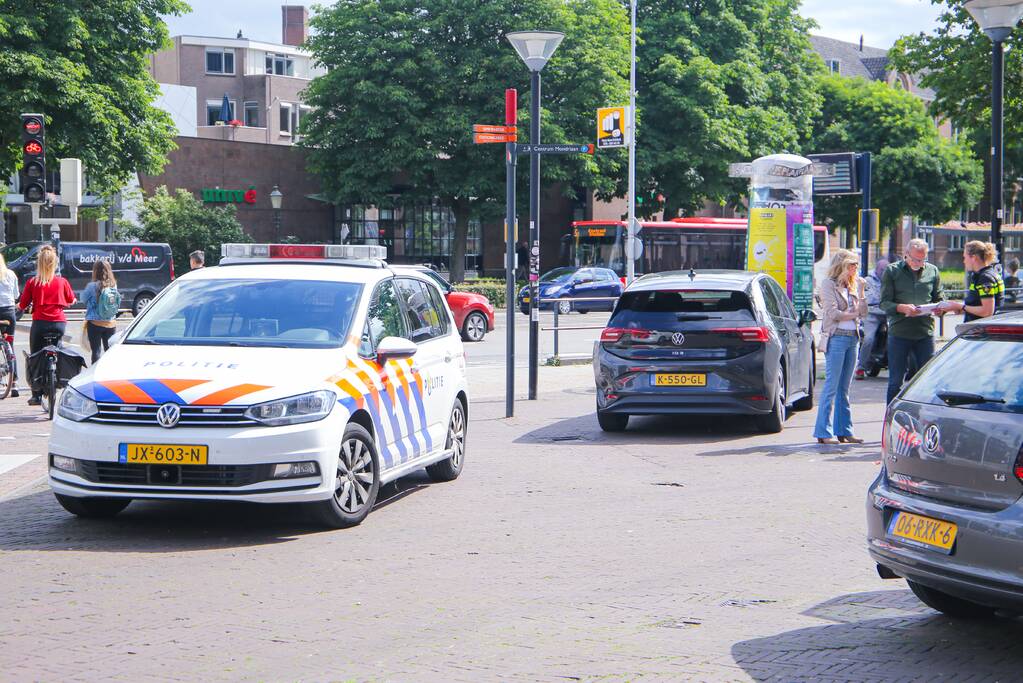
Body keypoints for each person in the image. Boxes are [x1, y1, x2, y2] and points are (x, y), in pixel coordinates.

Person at [879, 238, 944, 405]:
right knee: (896, 382)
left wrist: (939, 308)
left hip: (924, 333)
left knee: (927, 379)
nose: (919, 263)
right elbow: (884, 303)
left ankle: (923, 417)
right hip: (900, 333)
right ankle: (891, 416)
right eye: (915, 259)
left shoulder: (933, 271)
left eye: (923, 259)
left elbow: (940, 298)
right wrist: (902, 308)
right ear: (906, 255)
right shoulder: (892, 271)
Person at [814, 250, 868, 444]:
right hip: (836, 338)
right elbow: (833, 313)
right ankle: (823, 432)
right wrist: (854, 314)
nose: (856, 269)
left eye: (856, 265)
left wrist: (860, 292)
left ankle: (845, 430)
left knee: (844, 388)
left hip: (852, 338)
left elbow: (864, 312)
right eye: (852, 265)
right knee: (831, 386)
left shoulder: (852, 285)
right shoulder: (829, 285)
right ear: (842, 265)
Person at [17, 244, 75, 405]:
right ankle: (57, 379)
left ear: (39, 263)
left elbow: (22, 304)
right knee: (57, 349)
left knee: (35, 355)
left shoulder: (32, 282)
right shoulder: (62, 282)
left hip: (40, 323)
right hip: (58, 323)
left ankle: (36, 394)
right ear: (55, 263)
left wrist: (20, 307)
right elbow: (71, 300)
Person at [944, 241, 1004, 322]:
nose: (964, 261)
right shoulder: (985, 275)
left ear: (974, 257)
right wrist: (957, 307)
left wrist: (961, 306)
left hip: (982, 330)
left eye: (965, 257)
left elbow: (987, 312)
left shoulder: (985, 278)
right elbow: (977, 304)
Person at [854, 258, 888, 380]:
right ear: (877, 269)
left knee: (900, 335)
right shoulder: (868, 281)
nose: (885, 272)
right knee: (869, 338)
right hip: (872, 314)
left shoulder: (891, 280)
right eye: (883, 270)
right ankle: (861, 367)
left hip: (889, 313)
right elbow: (870, 298)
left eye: (887, 270)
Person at [82, 260, 121, 364]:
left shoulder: (91, 286)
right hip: (110, 323)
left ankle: (94, 374)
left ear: (95, 271)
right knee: (109, 351)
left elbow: (83, 299)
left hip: (95, 323)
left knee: (96, 351)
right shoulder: (113, 285)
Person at [0, 253, 20, 396]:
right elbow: (16, 295)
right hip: (9, 312)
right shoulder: (11, 274)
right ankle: (14, 384)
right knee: (10, 344)